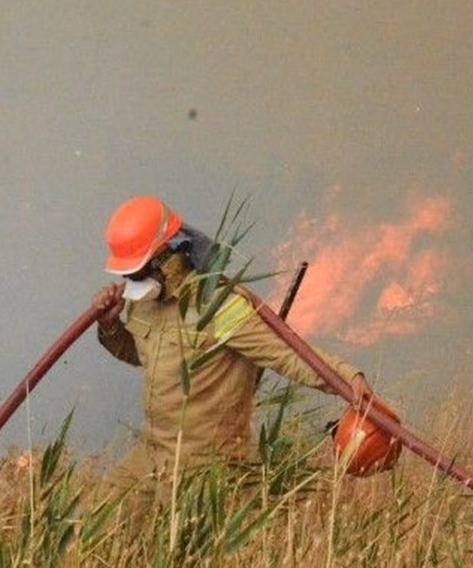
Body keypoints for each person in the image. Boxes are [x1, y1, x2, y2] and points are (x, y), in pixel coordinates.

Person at [91, 196, 371, 517]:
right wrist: (110, 325)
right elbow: (141, 355)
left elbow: (287, 354)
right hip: (154, 451)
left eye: (138, 271)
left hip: (205, 461)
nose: (132, 282)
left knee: (184, 543)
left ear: (167, 256)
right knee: (101, 522)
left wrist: (348, 380)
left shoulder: (219, 304)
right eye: (129, 273)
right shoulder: (143, 305)